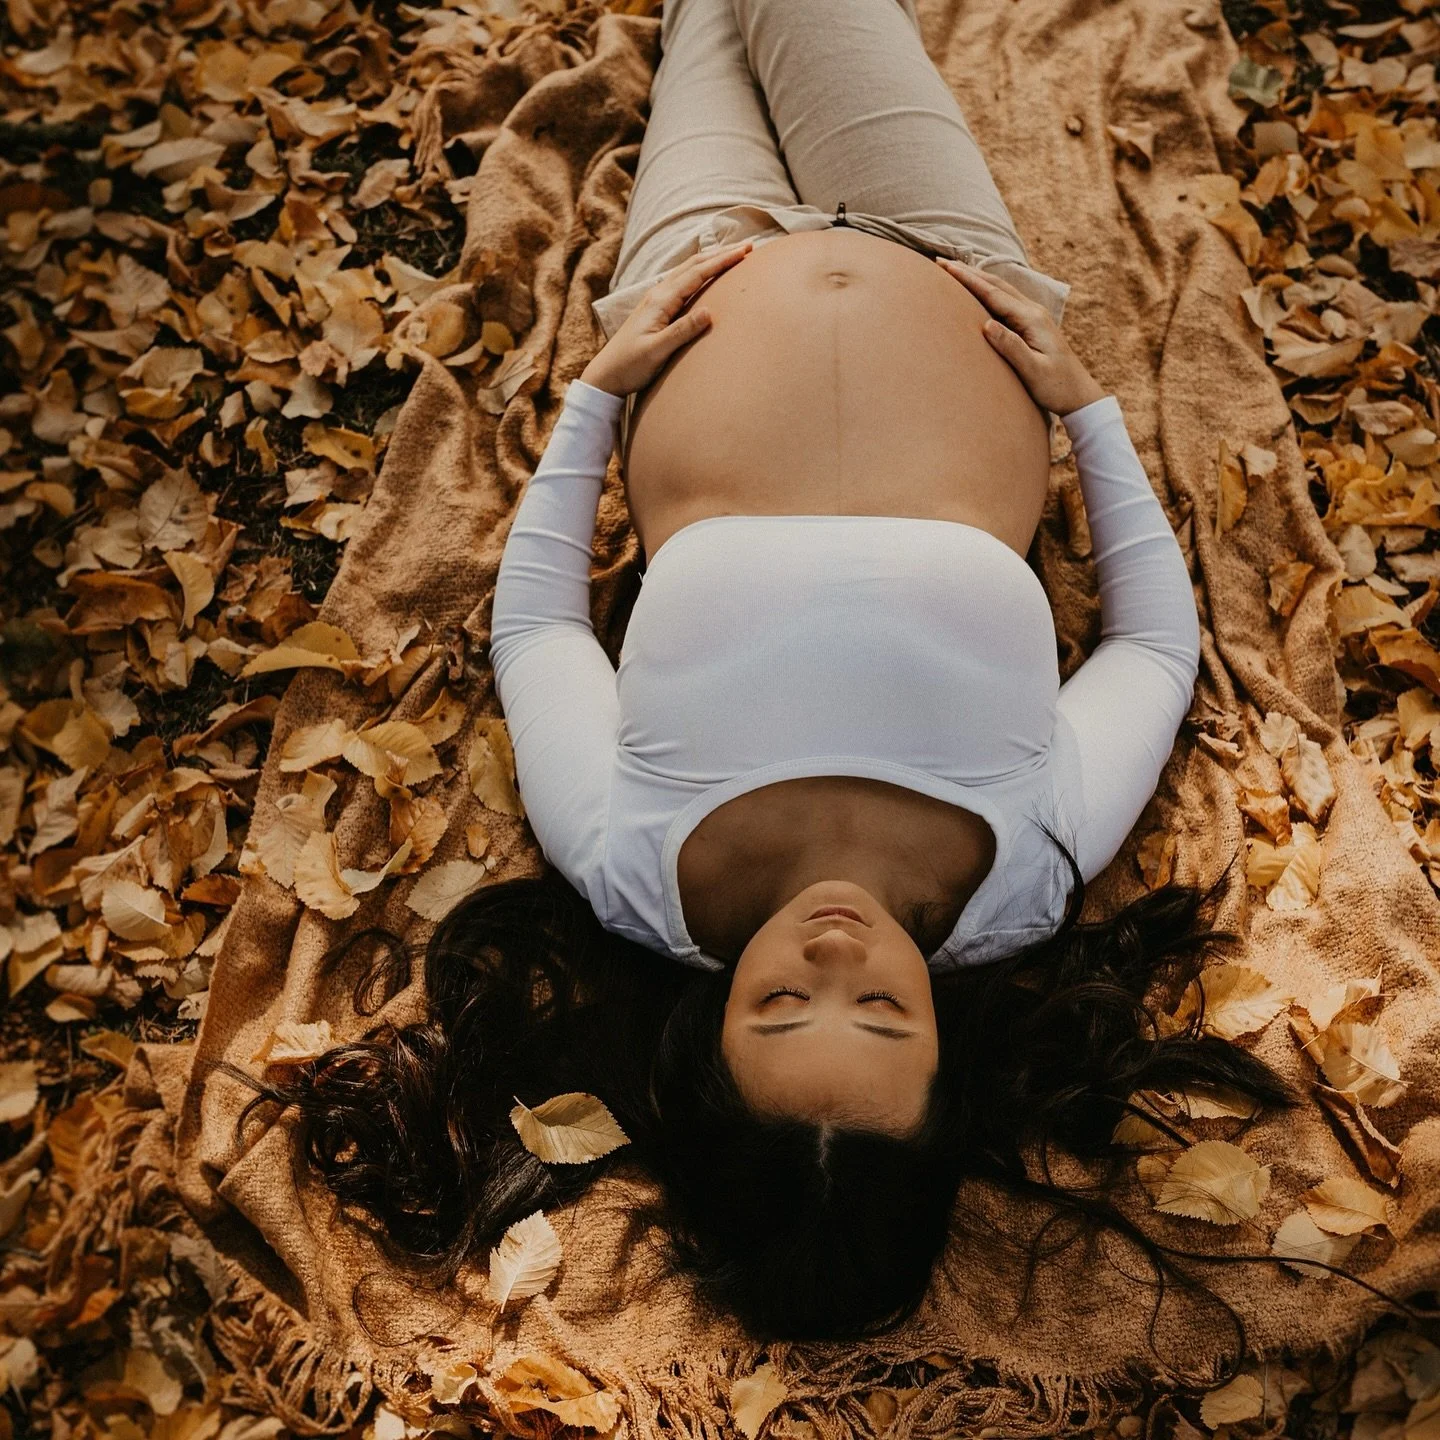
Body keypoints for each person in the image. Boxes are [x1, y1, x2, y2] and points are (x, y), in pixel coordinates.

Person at [238, 0, 1301, 1347]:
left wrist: (599, 391)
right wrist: (1086, 408)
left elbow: (541, 634)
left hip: (697, 277)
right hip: (946, 261)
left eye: (784, 1004)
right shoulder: (1028, 869)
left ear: (708, 1046)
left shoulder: (634, 865)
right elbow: (1152, 648)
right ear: (946, 1061)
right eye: (884, 1014)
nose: (836, 954)